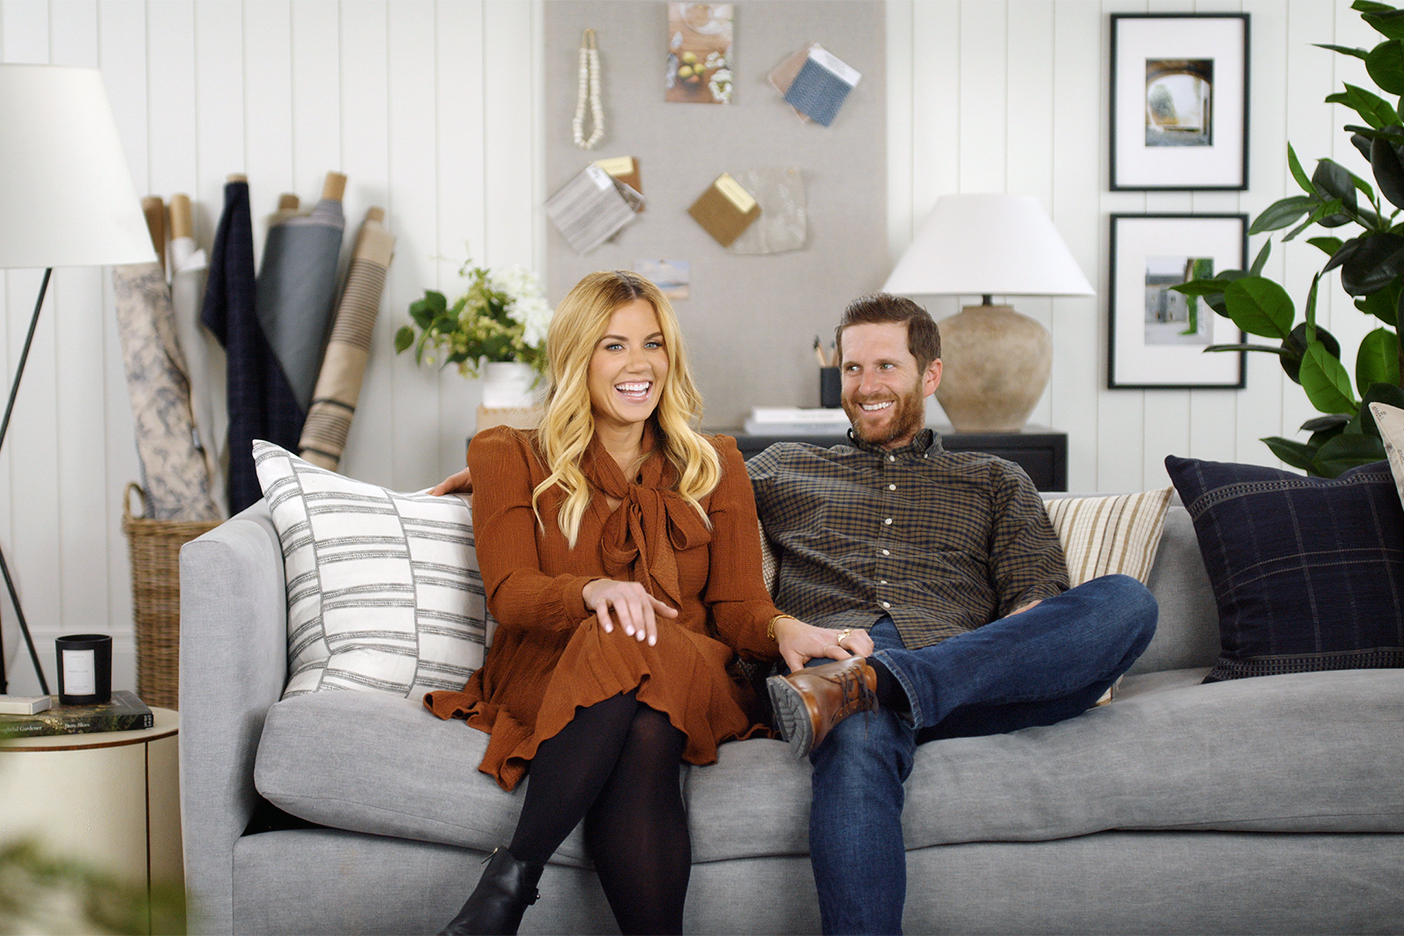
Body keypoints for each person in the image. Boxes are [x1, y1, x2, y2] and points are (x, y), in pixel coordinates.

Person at [423, 270, 850, 936]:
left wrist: (783, 627)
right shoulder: (507, 453)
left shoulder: (716, 462)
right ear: (576, 358)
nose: (639, 364)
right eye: (614, 346)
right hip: (552, 675)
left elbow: (738, 604)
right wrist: (591, 590)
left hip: (690, 668)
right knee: (643, 722)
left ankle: (503, 895)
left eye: (652, 343)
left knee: (633, 636)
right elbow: (510, 593)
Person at [749, 293, 1158, 935]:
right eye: (853, 369)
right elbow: (700, 553)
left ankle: (883, 679)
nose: (866, 385)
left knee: (1128, 602)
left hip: (969, 682)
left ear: (930, 375)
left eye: (886, 366)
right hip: (826, 668)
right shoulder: (780, 470)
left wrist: (927, 666)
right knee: (856, 728)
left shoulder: (994, 479)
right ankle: (865, 687)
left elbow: (1034, 603)